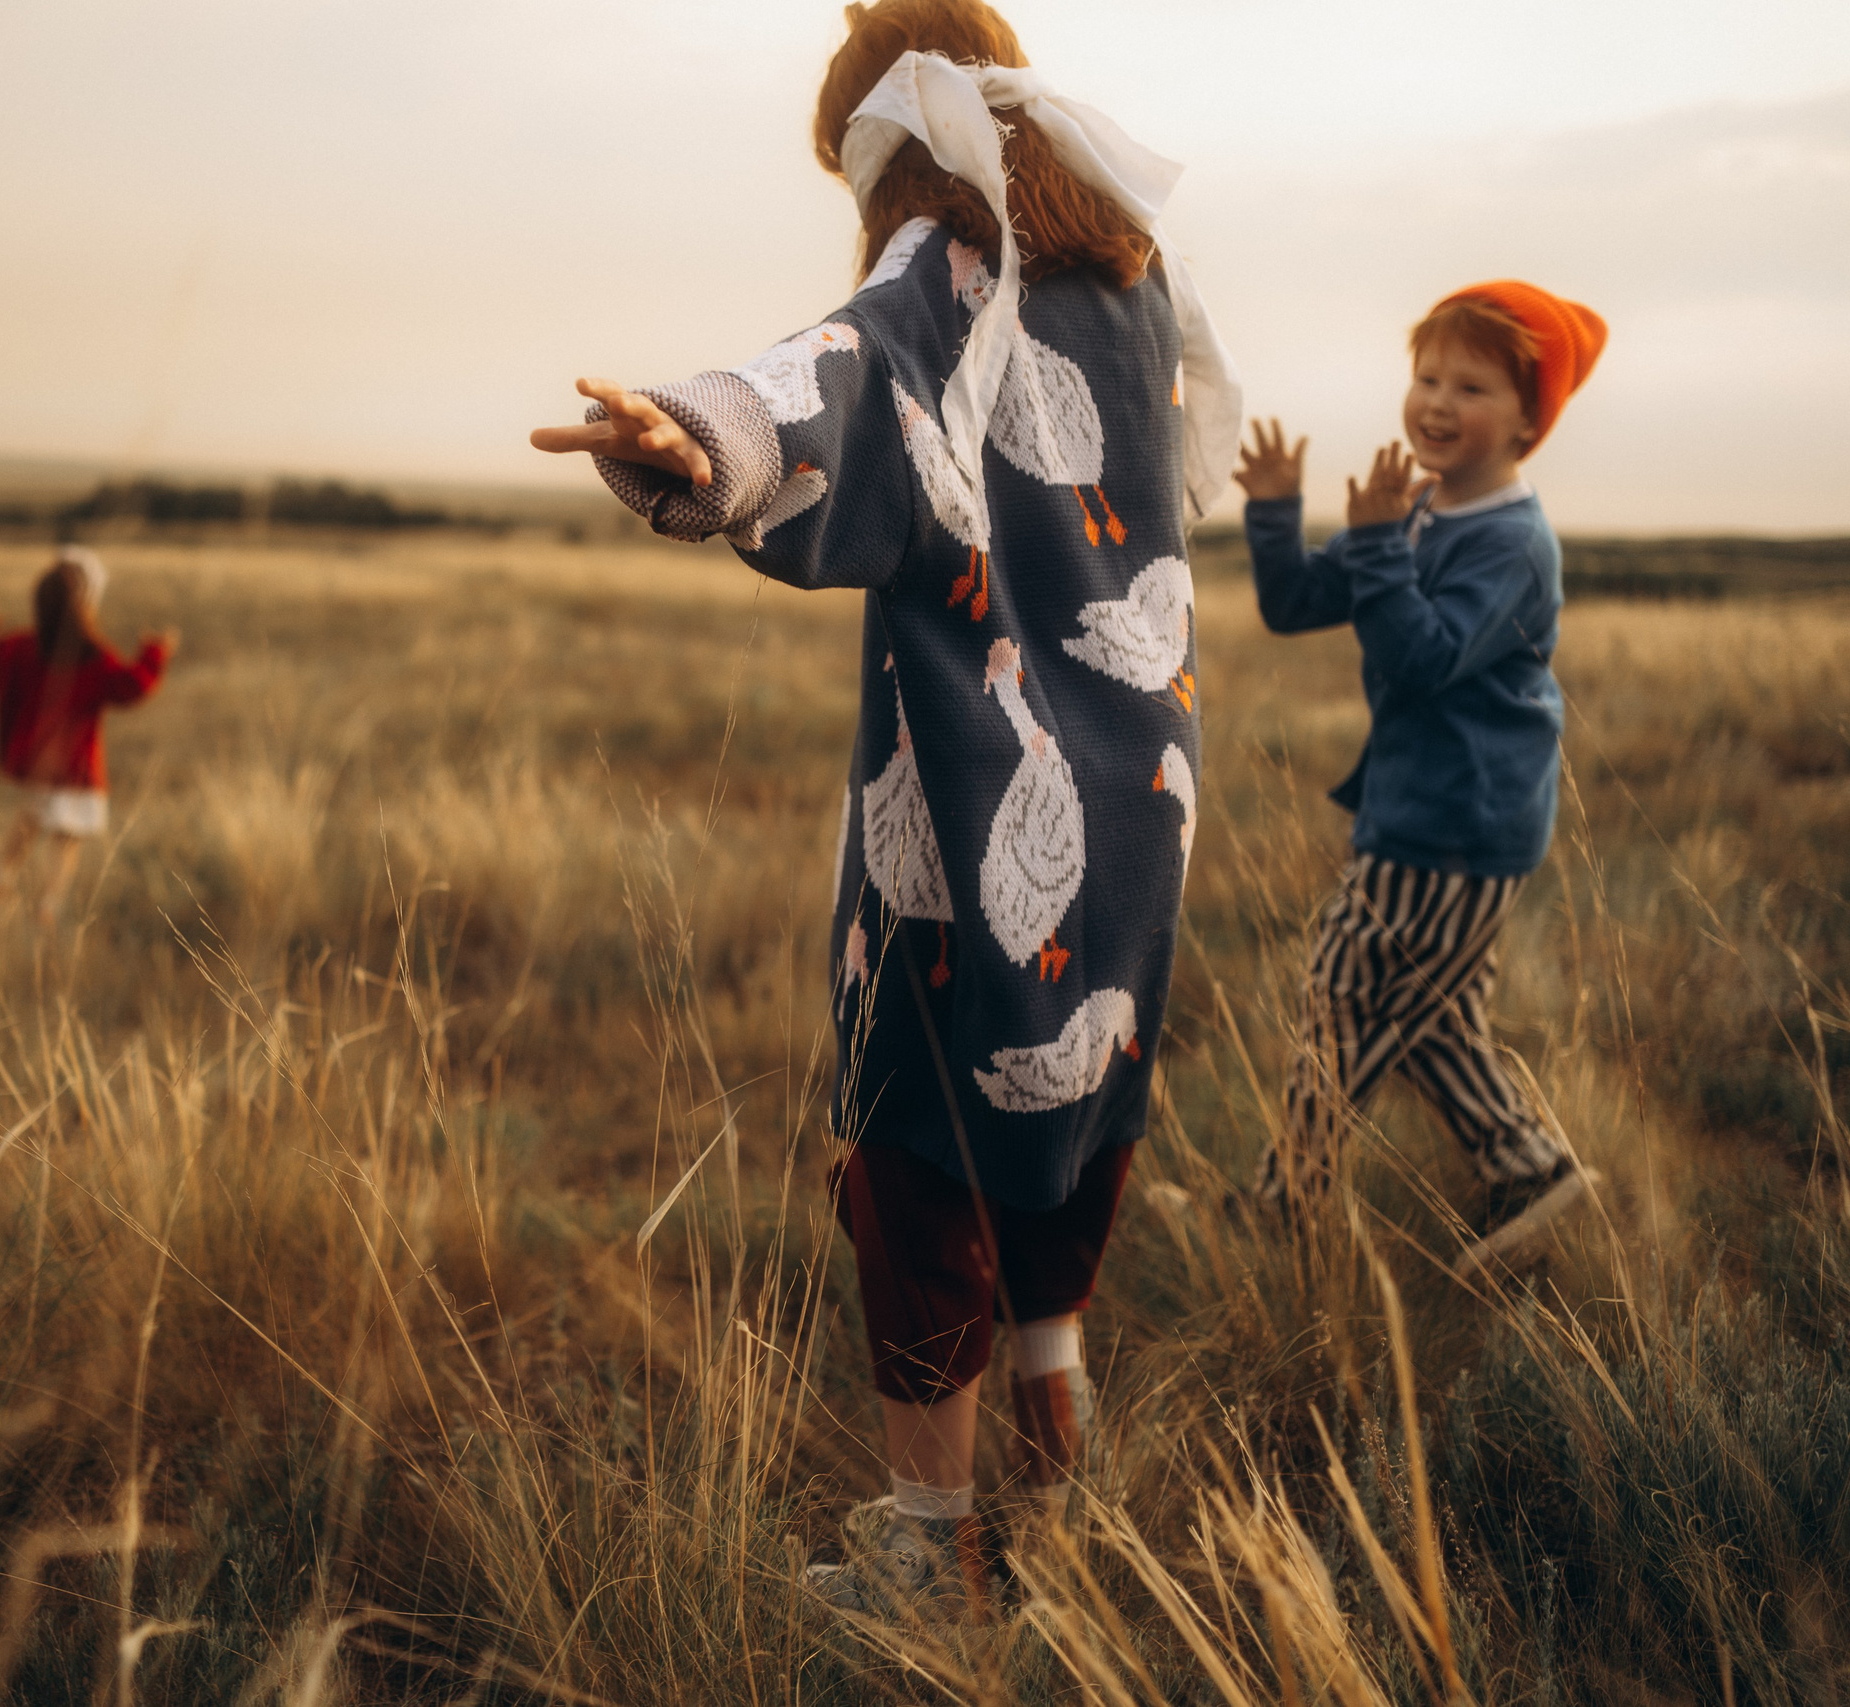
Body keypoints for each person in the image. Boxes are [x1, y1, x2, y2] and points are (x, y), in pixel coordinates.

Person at [531, 0, 1240, 1618]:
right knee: (1077, 1116)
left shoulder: (940, 266)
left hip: (973, 799)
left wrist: (690, 434)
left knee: (918, 1145)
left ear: (886, 145)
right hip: (1145, 797)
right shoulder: (1131, 286)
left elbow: (827, 383)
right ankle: (1066, 1475)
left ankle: (934, 1554)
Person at [1233, 281, 1607, 1255]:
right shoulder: (1421, 512)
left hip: (1453, 823)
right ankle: (1530, 1173)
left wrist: (1374, 544)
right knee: (1430, 1021)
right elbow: (1296, 604)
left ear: (1531, 419)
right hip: (1430, 813)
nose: (1437, 403)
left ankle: (1284, 1211)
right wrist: (1277, 513)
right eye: (1427, 377)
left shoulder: (1514, 546)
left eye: (1471, 388)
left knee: (1339, 996)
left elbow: (1426, 657)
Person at [0, 546, 177, 921]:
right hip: (77, 771)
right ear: (87, 605)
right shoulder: (93, 658)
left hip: (36, 763)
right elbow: (132, 686)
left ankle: (3, 875)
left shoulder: (20, 648)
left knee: (28, 819)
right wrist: (154, 653)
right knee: (66, 842)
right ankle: (48, 906)